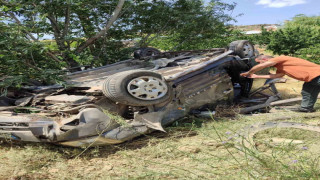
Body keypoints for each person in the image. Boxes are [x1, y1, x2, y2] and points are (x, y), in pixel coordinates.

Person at [240, 55, 320, 112]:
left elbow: (264, 65)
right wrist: (257, 76)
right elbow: (277, 75)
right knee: (307, 92)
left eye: (259, 62)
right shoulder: (279, 66)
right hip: (311, 79)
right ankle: (306, 108)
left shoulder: (280, 58)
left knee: (309, 90)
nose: (259, 64)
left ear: (265, 59)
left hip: (318, 75)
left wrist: (249, 72)